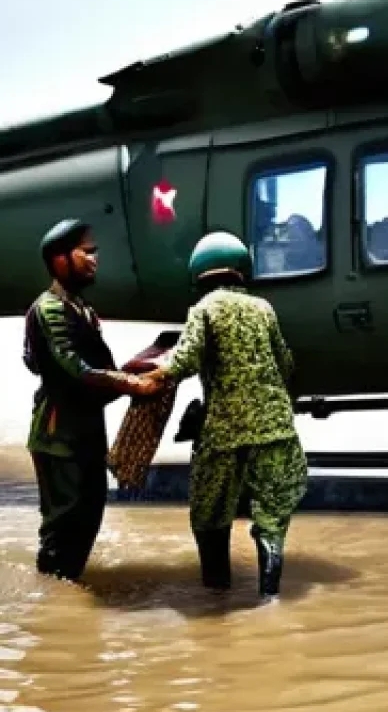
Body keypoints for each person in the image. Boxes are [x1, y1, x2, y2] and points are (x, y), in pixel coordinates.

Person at [145, 231, 307, 599]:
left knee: (209, 518)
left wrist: (147, 376)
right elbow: (286, 362)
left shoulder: (205, 309)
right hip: (276, 430)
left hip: (225, 432)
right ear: (240, 272)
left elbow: (184, 362)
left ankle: (216, 595)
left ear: (200, 276)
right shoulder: (264, 308)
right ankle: (270, 596)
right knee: (270, 521)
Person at [23, 218, 163, 582]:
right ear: (59, 259)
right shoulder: (50, 309)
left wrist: (143, 362)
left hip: (85, 433)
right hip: (58, 438)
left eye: (93, 252)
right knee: (63, 523)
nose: (94, 259)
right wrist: (134, 384)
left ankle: (65, 592)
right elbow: (75, 368)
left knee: (89, 515)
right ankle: (51, 605)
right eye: (85, 252)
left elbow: (101, 371)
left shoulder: (81, 308)